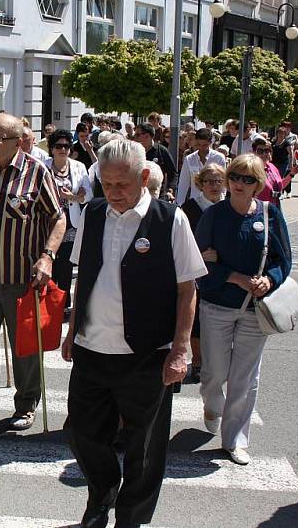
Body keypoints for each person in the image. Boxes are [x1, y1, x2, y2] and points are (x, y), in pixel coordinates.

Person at [62, 138, 206, 528]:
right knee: (83, 433)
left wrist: (180, 349)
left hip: (147, 352)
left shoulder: (169, 219)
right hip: (93, 347)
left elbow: (187, 288)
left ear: (144, 177)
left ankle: (131, 518)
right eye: (106, 185)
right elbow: (84, 275)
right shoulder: (92, 214)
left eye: (122, 184)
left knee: (145, 445)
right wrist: (72, 328)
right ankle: (101, 495)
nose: (114, 193)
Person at [0, 113, 65, 449]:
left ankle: (27, 401)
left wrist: (47, 255)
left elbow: (58, 218)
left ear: (17, 143)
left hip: (21, 281)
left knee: (24, 351)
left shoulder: (36, 171)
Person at [195, 153, 292, 466]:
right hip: (218, 305)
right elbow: (197, 263)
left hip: (254, 309)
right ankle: (211, 401)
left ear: (257, 184)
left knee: (245, 378)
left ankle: (234, 439)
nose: (239, 183)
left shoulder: (270, 215)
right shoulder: (213, 216)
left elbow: (283, 260)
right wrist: (233, 276)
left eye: (247, 179)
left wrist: (269, 279)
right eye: (235, 176)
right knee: (214, 373)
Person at [180, 163, 227, 384]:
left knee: (220, 317)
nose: (214, 186)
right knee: (197, 319)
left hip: (224, 270)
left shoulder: (229, 206)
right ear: (201, 184)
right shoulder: (190, 208)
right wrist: (199, 254)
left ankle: (216, 361)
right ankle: (198, 362)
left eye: (219, 181)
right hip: (197, 270)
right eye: (209, 181)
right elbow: (182, 241)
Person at [45, 128, 93, 311]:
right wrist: (74, 194)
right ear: (52, 148)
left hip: (71, 224)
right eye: (58, 146)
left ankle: (64, 307)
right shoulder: (44, 166)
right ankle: (48, 304)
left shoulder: (78, 167)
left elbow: (87, 194)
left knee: (65, 268)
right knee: (51, 266)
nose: (62, 149)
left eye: (66, 146)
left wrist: (72, 197)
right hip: (48, 224)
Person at [176, 128, 228, 205]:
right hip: (195, 203)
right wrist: (180, 204)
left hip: (214, 202)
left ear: (210, 142)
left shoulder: (219, 158)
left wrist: (221, 200)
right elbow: (183, 183)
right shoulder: (189, 159)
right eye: (199, 144)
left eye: (205, 145)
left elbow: (223, 180)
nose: (201, 148)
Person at [134, 122, 178, 202]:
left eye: (137, 135)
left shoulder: (162, 151)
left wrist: (170, 190)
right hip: (137, 195)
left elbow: (173, 173)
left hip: (157, 195)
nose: (134, 137)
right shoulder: (134, 152)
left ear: (147, 136)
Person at [252, 137, 284, 209]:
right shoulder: (251, 170)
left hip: (275, 206)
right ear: (254, 152)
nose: (264, 154)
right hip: (259, 208)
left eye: (267, 151)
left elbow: (280, 185)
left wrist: (291, 174)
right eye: (260, 151)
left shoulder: (272, 167)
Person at [271, 122, 297, 199]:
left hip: (283, 163)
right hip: (274, 163)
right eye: (279, 133)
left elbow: (291, 153)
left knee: (280, 178)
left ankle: (280, 192)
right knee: (274, 178)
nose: (280, 135)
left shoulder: (286, 143)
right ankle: (275, 191)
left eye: (282, 133)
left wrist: (291, 164)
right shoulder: (274, 142)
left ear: (285, 135)